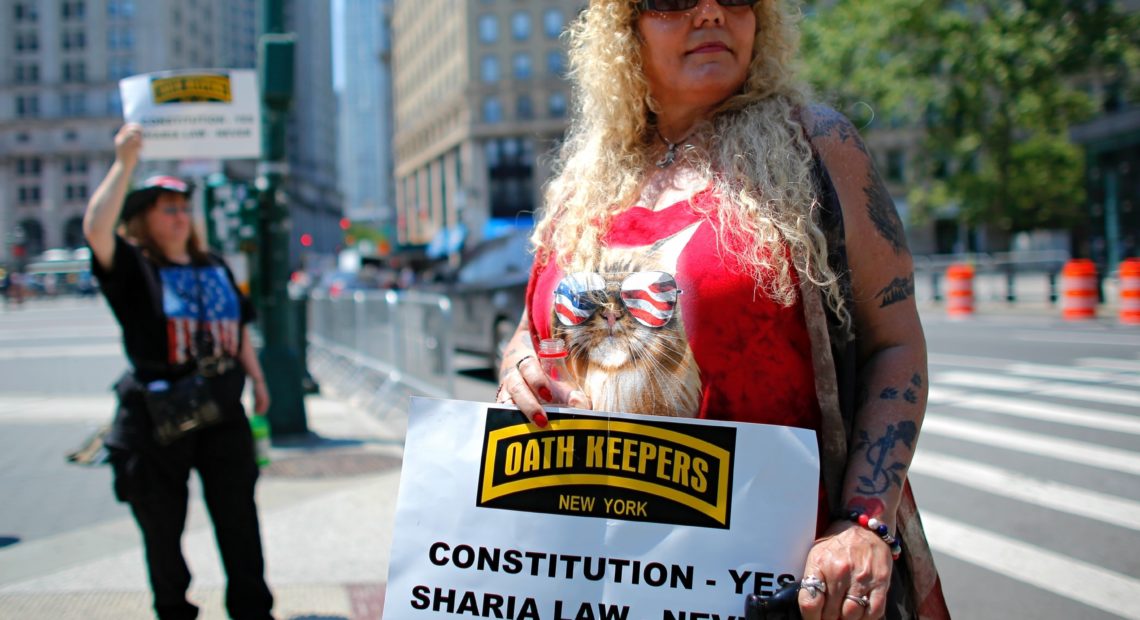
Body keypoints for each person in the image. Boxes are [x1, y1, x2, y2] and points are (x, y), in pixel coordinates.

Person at [494, 1, 948, 619]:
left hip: (781, 585)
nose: (710, 12)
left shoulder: (817, 144)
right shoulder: (587, 176)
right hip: (591, 573)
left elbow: (893, 342)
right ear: (625, 28)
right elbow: (533, 324)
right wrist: (519, 359)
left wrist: (863, 521)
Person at [83, 123, 274, 620]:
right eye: (168, 209)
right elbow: (96, 230)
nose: (180, 217)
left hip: (221, 406)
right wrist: (125, 163)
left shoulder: (214, 264)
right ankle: (173, 608)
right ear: (144, 220)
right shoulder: (132, 267)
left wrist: (257, 379)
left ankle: (251, 608)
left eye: (184, 208)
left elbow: (241, 326)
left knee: (239, 515)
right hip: (157, 413)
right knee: (162, 523)